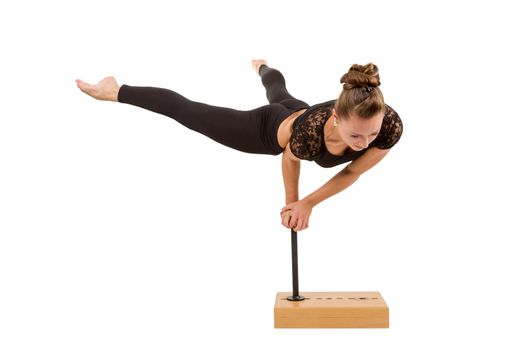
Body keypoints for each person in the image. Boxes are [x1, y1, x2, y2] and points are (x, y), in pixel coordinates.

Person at [76, 59, 403, 232]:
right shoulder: (310, 134)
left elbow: (351, 172)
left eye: (370, 135)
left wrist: (309, 203)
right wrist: (294, 204)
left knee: (279, 90)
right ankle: (116, 90)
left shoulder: (387, 124)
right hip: (268, 128)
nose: (364, 144)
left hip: (299, 112)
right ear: (335, 117)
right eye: (355, 137)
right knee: (192, 113)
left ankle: (262, 66)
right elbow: (291, 160)